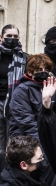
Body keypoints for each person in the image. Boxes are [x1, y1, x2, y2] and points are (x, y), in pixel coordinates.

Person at [8, 54, 56, 139]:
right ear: (30, 72)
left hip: (47, 136)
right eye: (39, 70)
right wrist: (45, 143)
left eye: (46, 70)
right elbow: (27, 123)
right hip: (25, 139)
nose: (44, 72)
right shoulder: (21, 91)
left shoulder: (52, 89)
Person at [0, 24, 27, 153]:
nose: (12, 38)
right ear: (1, 38)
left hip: (16, 105)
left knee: (14, 145)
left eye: (15, 36)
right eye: (9, 36)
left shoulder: (25, 58)